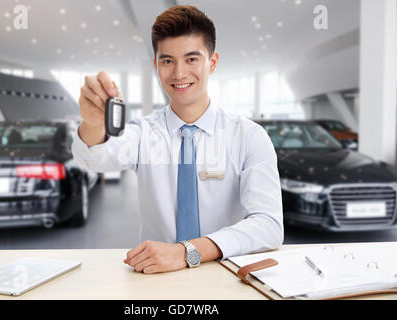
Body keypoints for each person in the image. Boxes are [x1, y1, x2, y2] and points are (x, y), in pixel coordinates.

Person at [72, 5, 283, 274]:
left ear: (213, 63)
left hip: (227, 274)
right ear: (156, 66)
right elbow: (95, 157)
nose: (179, 73)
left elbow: (269, 225)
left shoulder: (249, 136)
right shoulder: (143, 132)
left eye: (192, 59)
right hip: (156, 279)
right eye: (168, 61)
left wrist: (187, 252)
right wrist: (92, 124)